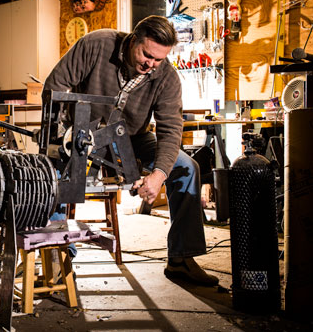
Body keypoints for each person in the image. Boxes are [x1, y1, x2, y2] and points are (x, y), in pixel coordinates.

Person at [43, 15, 218, 287]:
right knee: (55, 173)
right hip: (82, 132)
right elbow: (55, 86)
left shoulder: (165, 77)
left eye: (159, 59)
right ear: (133, 39)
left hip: (133, 138)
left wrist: (159, 174)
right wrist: (59, 137)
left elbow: (170, 129)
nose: (151, 65)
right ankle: (57, 258)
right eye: (147, 55)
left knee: (186, 168)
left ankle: (181, 260)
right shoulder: (97, 44)